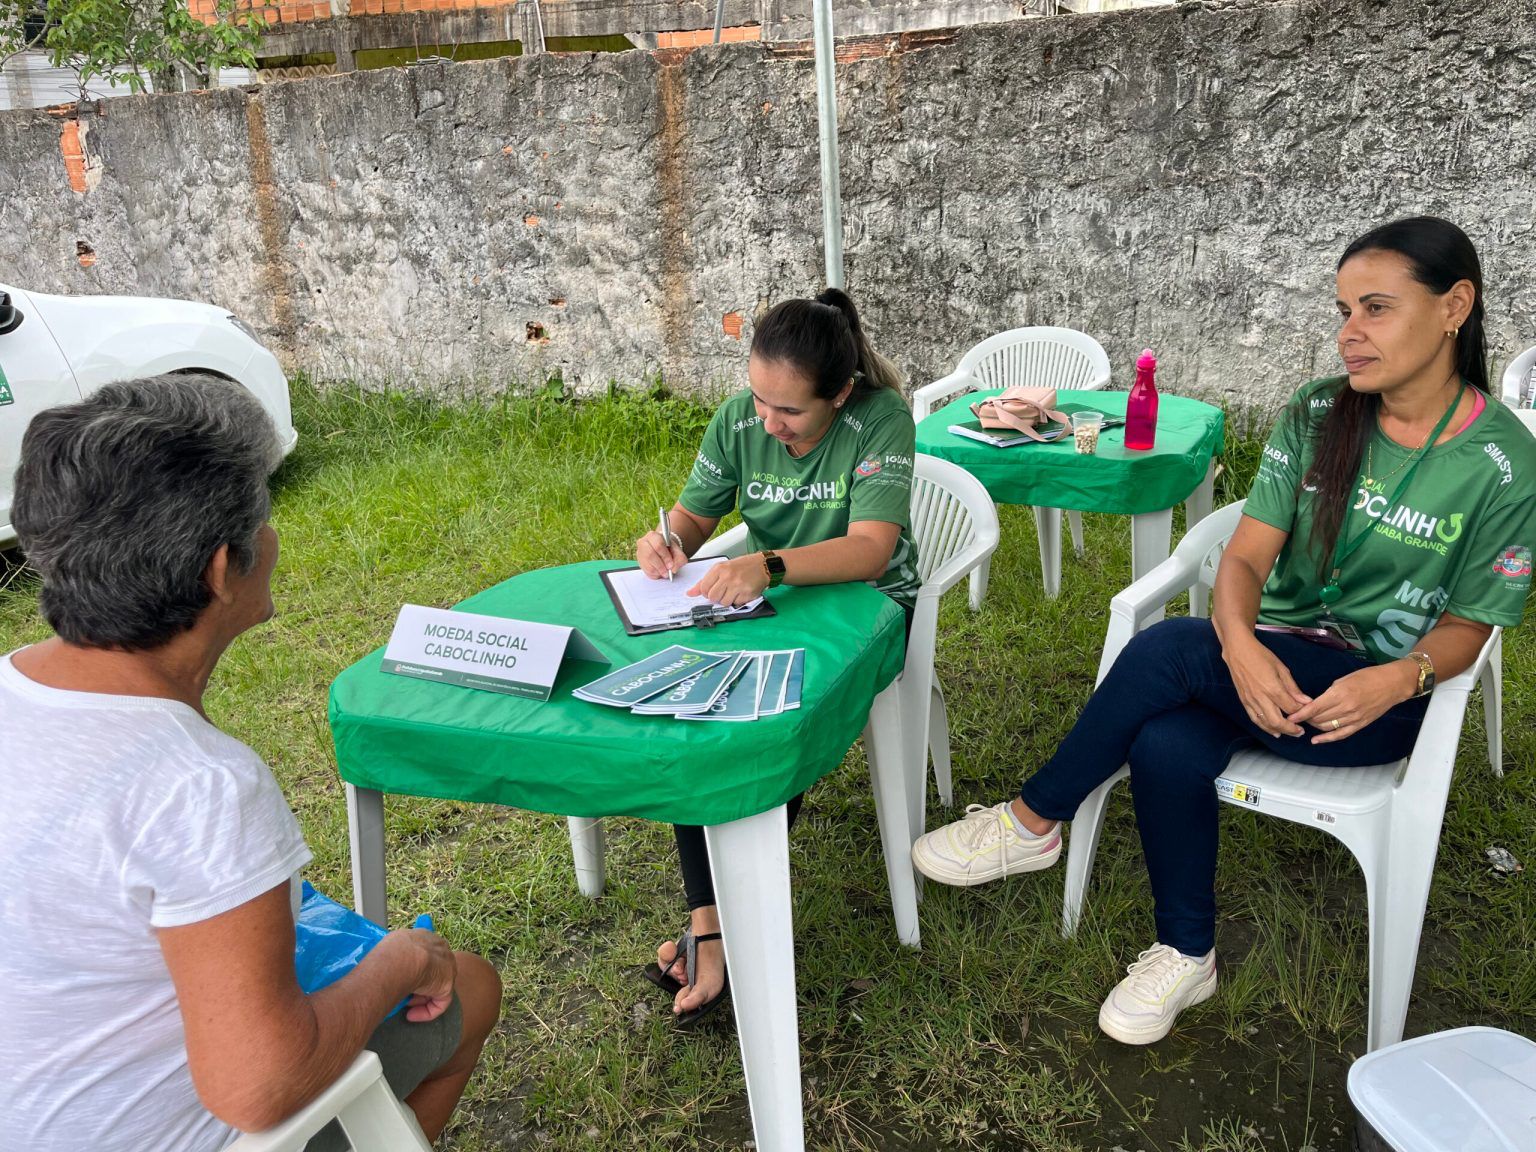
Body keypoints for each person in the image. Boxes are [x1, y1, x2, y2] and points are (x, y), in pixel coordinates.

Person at [912, 216, 1536, 1045]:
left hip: (1374, 700)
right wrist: (1240, 649)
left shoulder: (1503, 463)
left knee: (1169, 648)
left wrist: (1396, 679)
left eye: (1376, 308)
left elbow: (1469, 626)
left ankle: (1033, 823)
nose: (1350, 334)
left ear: (1455, 306)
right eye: (1344, 310)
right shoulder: (1321, 412)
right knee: (1168, 738)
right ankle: (1188, 953)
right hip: (1272, 660)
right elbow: (1242, 562)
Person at [0, 376, 503, 1150]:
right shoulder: (196, 786)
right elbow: (259, 1085)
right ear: (219, 569)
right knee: (468, 983)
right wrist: (403, 961)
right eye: (264, 518)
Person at [633, 288, 919, 1025]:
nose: (767, 421)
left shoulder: (879, 417)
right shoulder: (740, 418)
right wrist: (668, 542)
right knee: (699, 713)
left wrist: (770, 565)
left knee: (771, 718)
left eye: (789, 411)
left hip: (868, 605)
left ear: (841, 393)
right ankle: (716, 919)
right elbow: (695, 516)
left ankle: (717, 925)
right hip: (772, 602)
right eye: (758, 399)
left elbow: (871, 549)